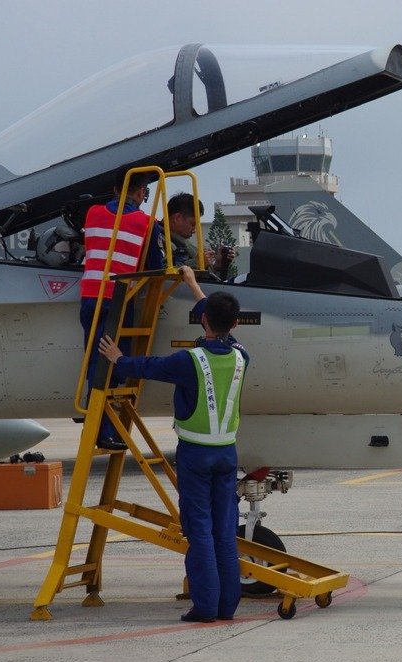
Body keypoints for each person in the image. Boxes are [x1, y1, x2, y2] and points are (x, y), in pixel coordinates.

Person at [98, 267, 249, 623]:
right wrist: (195, 286)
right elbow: (214, 317)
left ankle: (206, 607)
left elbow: (149, 367)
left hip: (196, 455)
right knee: (225, 533)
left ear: (204, 321)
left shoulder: (189, 361)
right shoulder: (242, 356)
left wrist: (118, 359)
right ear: (234, 324)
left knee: (199, 532)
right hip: (227, 453)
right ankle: (227, 607)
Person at [80, 168, 162, 449]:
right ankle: (101, 431)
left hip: (90, 295)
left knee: (94, 361)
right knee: (111, 365)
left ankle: (95, 420)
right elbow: (155, 266)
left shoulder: (92, 213)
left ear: (115, 190)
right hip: (116, 299)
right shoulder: (146, 222)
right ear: (140, 192)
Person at [159, 193, 236, 273]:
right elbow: (163, 273)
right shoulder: (158, 240)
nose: (194, 230)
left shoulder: (182, 243)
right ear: (177, 218)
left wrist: (217, 264)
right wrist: (197, 263)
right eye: (192, 224)